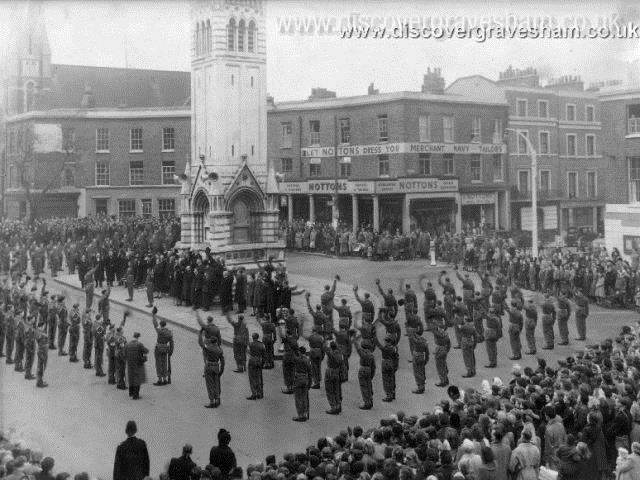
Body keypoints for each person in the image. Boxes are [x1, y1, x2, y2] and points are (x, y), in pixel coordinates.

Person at [200, 333, 225, 408]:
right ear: (216, 342)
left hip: (209, 366)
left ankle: (211, 401)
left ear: (210, 341)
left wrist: (200, 334)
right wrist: (221, 371)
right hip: (216, 367)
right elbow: (223, 362)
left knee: (210, 384)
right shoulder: (220, 350)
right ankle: (217, 400)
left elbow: (201, 343)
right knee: (216, 384)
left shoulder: (208, 348)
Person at [151, 307, 174, 385]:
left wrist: (154, 315)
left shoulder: (160, 331)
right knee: (164, 363)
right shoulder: (169, 332)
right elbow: (172, 343)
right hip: (166, 349)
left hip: (159, 348)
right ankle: (165, 378)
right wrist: (171, 351)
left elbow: (155, 324)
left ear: (161, 325)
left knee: (158, 363)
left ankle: (160, 379)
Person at [125, 332, 148, 400]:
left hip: (130, 364)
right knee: (137, 379)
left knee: (131, 377)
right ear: (138, 337)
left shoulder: (127, 344)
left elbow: (124, 353)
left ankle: (131, 392)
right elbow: (146, 351)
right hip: (138, 364)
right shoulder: (139, 344)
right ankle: (136, 395)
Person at [292, 346, 312, 421]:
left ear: (300, 352)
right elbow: (310, 372)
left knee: (298, 398)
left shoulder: (298, 359)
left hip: (298, 378)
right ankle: (305, 413)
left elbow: (293, 357)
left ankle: (300, 415)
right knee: (304, 398)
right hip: (305, 379)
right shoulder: (307, 360)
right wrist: (310, 382)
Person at [246, 332, 265, 400]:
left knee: (252, 378)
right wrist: (262, 364)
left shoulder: (251, 344)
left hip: (252, 360)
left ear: (253, 337)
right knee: (259, 378)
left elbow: (248, 349)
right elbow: (264, 355)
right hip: (259, 360)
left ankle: (254, 394)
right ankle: (260, 393)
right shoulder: (261, 345)